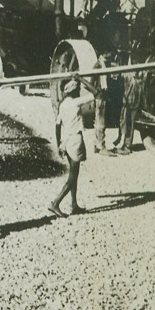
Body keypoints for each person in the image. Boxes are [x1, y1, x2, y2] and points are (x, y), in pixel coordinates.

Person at [51, 78, 96, 216]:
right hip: (76, 140)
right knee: (73, 177)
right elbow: (97, 93)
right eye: (78, 89)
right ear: (74, 90)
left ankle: (74, 204)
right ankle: (55, 203)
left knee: (73, 174)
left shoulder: (63, 104)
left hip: (66, 140)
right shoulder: (76, 103)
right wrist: (81, 79)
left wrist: (59, 143)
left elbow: (57, 125)